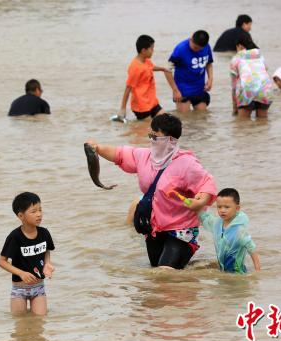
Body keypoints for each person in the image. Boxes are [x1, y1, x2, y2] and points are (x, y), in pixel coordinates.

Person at [86, 113, 217, 270]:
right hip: (154, 229)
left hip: (181, 231)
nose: (151, 141)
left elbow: (207, 183)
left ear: (171, 140)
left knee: (164, 273)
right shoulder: (144, 156)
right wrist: (97, 148)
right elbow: (119, 154)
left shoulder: (187, 164)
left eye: (156, 137)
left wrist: (201, 202)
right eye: (150, 135)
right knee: (156, 275)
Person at [0, 192, 55, 315]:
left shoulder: (44, 233)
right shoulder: (15, 237)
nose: (39, 214)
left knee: (40, 322)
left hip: (39, 287)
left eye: (40, 210)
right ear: (21, 215)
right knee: (20, 325)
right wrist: (21, 273)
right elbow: (2, 262)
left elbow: (46, 250)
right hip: (19, 288)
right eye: (33, 211)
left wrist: (47, 263)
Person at [198, 188, 261, 274]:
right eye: (219, 207)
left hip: (238, 274)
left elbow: (251, 248)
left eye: (227, 207)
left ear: (237, 208)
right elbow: (204, 217)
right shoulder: (217, 224)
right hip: (223, 271)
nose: (222, 210)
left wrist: (258, 271)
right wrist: (194, 202)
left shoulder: (239, 230)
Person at [119, 35, 179, 120]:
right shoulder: (135, 67)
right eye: (151, 49)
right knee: (146, 130)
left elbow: (150, 67)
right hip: (141, 106)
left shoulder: (146, 61)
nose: (153, 51)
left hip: (152, 102)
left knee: (167, 120)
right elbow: (128, 88)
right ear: (143, 50)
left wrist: (163, 69)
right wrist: (123, 108)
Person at [169, 30, 214, 112]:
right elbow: (167, 70)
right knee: (185, 120)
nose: (197, 50)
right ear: (191, 39)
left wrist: (210, 79)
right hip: (182, 90)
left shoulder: (206, 47)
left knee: (202, 119)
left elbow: (209, 64)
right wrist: (175, 90)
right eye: (195, 47)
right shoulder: (180, 49)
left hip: (200, 88)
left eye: (200, 49)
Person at [230, 33, 272, 118]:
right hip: (265, 88)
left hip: (247, 90)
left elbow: (234, 86)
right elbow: (265, 69)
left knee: (243, 125)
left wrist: (235, 107)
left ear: (239, 46)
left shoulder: (236, 58)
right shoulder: (260, 55)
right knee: (262, 123)